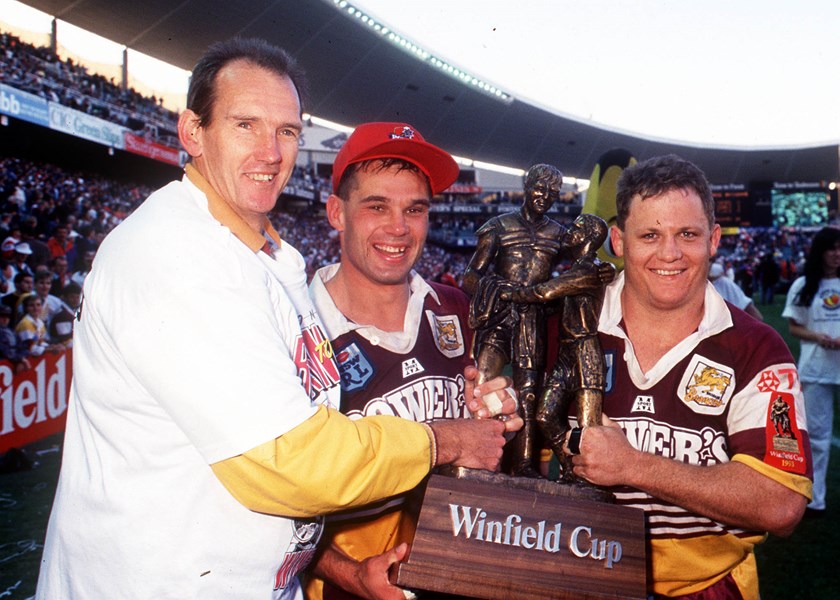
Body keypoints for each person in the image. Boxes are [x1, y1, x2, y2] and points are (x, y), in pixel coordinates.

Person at [37, 38, 513, 600]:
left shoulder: (264, 258)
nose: (271, 151)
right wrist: (445, 440)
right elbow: (291, 462)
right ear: (193, 132)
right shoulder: (176, 253)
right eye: (246, 125)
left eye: (287, 131)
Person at [565, 155, 812, 599]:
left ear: (713, 239)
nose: (670, 253)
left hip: (705, 587)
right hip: (579, 581)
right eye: (650, 235)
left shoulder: (757, 348)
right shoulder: (566, 326)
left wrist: (632, 466)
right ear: (619, 241)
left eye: (688, 234)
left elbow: (780, 503)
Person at [304, 121, 521, 600]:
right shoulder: (294, 325)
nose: (398, 228)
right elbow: (269, 496)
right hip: (341, 587)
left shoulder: (457, 309)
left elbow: (487, 454)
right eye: (376, 206)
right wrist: (348, 573)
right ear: (337, 212)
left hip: (451, 570)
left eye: (414, 209)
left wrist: (498, 416)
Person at [462, 164, 566, 476]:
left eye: (552, 193)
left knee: (529, 390)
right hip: (498, 316)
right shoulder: (499, 226)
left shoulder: (558, 234)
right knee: (483, 383)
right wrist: (493, 291)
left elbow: (582, 265)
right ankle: (477, 459)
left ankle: (524, 463)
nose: (544, 197)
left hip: (532, 318)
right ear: (526, 186)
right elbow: (471, 275)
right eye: (539, 188)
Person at [502, 213, 614, 469]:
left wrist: (511, 293)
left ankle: (587, 476)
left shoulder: (592, 270)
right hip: (567, 352)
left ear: (588, 237)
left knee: (589, 430)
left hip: (585, 352)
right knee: (544, 416)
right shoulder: (578, 269)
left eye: (575, 227)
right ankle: (572, 467)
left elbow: (545, 291)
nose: (569, 231)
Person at [781, 226, 840, 517]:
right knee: (817, 436)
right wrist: (820, 337)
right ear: (820, 251)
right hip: (817, 368)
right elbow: (794, 326)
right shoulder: (804, 284)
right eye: (831, 248)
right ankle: (817, 499)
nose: (837, 254)